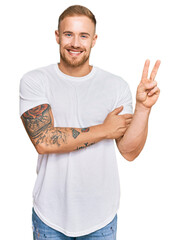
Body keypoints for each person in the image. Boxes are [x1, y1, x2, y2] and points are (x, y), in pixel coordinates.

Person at [19, 4, 161, 240]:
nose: (75, 43)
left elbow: (129, 151)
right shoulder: (36, 81)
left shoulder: (115, 86)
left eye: (83, 35)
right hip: (50, 217)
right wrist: (104, 130)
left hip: (101, 218)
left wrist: (144, 109)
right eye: (68, 34)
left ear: (94, 40)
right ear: (57, 36)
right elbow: (44, 141)